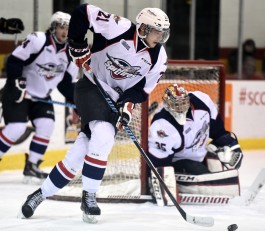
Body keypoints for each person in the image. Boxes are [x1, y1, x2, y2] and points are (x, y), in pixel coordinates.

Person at [19, 4, 170, 223]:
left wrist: (127, 106)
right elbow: (82, 12)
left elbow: (140, 90)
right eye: (158, 31)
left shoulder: (159, 57)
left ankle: (39, 194)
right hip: (90, 86)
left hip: (115, 99)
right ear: (144, 28)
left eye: (163, 32)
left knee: (80, 152)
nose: (161, 37)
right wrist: (78, 44)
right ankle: (89, 195)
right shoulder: (119, 28)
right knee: (103, 134)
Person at [0, 12, 79, 180]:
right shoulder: (38, 40)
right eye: (61, 27)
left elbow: (65, 86)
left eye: (68, 29)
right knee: (17, 128)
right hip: (20, 92)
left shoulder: (71, 55)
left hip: (42, 97)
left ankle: (32, 165)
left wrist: (78, 100)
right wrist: (16, 82)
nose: (65, 32)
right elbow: (14, 60)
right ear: (53, 27)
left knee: (47, 125)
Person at [147, 84, 243, 204]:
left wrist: (232, 144)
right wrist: (162, 185)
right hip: (176, 162)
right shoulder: (162, 125)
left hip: (200, 155)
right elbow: (158, 162)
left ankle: (219, 186)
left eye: (183, 103)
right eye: (175, 105)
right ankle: (208, 186)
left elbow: (218, 132)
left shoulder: (203, 101)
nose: (180, 108)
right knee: (200, 173)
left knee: (220, 160)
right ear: (167, 105)